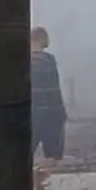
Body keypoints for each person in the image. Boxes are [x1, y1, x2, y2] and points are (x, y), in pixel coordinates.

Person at [30, 26, 66, 162]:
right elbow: (53, 91)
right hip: (49, 117)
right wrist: (61, 115)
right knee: (52, 158)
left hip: (29, 117)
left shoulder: (19, 62)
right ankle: (47, 181)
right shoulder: (47, 61)